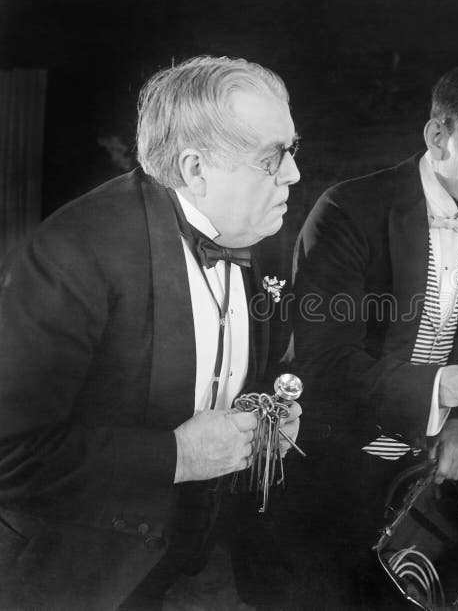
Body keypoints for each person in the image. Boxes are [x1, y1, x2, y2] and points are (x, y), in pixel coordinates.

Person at [0, 55, 302, 610]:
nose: (293, 174)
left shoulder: (263, 232)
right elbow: (9, 454)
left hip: (203, 560)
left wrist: (265, 415)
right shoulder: (77, 249)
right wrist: (178, 456)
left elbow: (249, 365)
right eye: (272, 158)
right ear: (195, 169)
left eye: (291, 150)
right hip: (84, 575)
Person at [282, 57, 458, 609]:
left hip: (417, 490)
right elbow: (320, 367)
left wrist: (455, 423)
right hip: (329, 484)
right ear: (437, 136)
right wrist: (451, 391)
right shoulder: (347, 209)